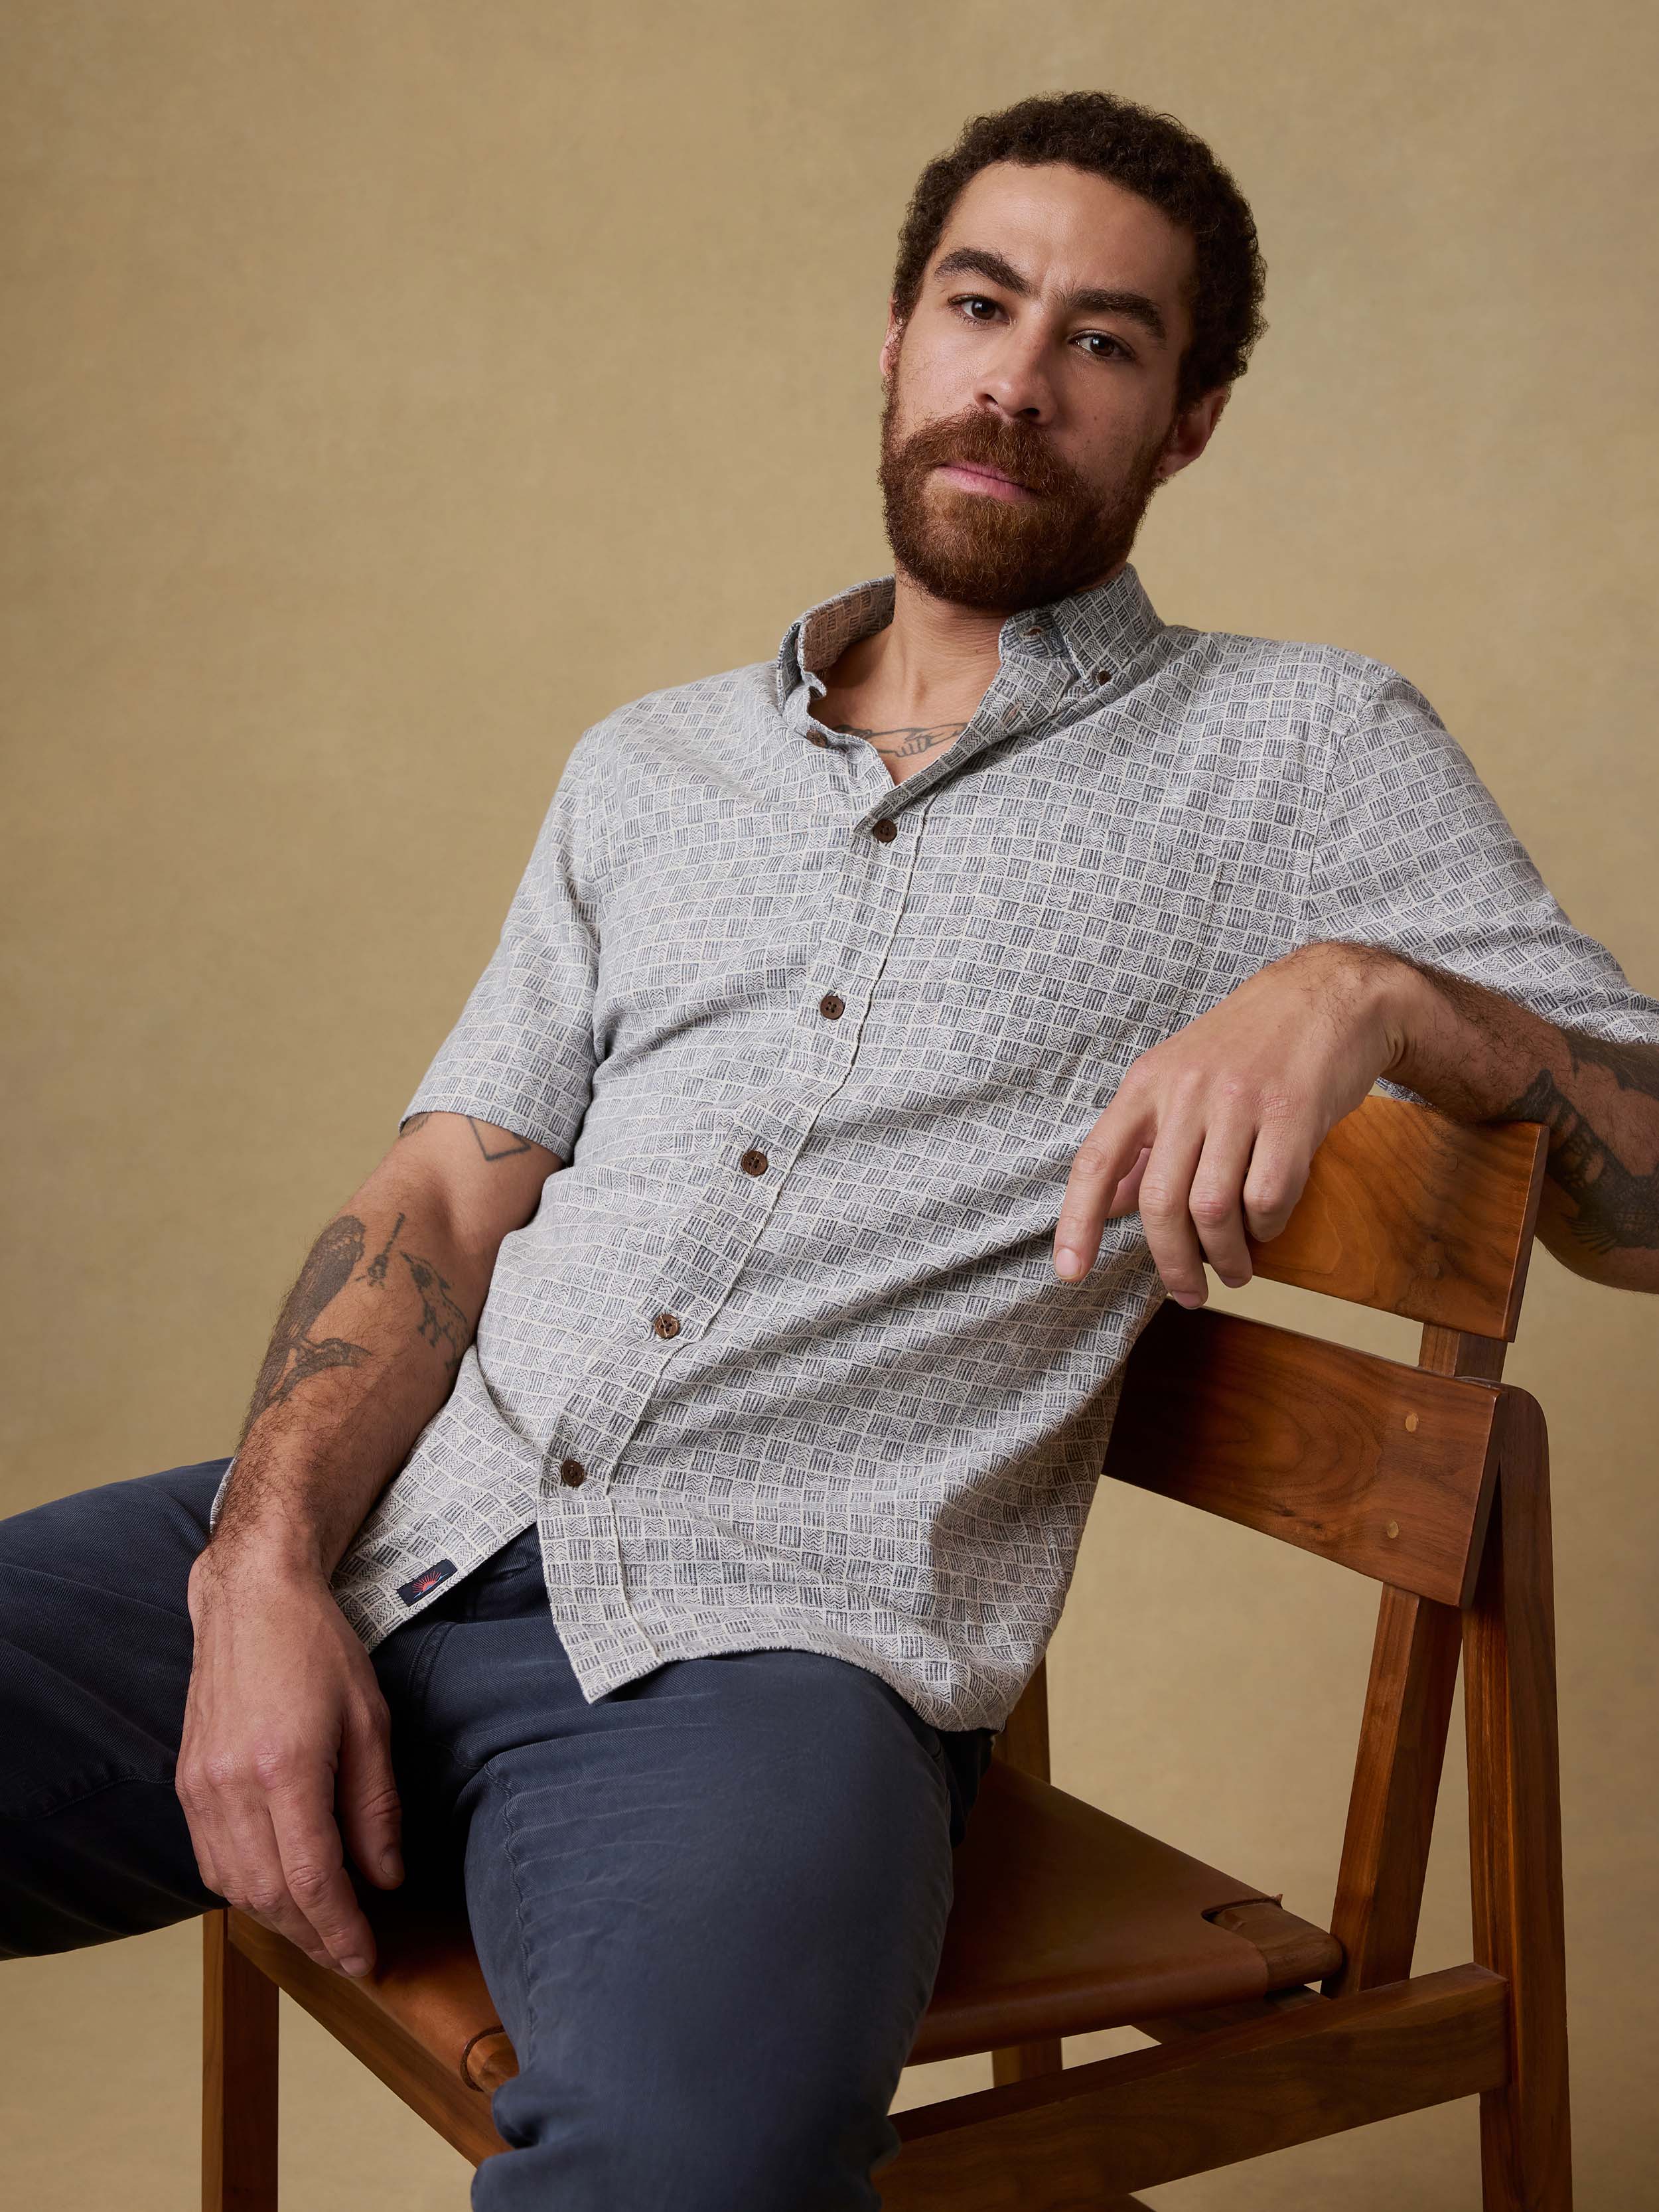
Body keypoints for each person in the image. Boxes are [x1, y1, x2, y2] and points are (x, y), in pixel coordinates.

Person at [4, 87, 1656, 2211]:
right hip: (385, 1516)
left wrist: (1381, 992)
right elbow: (436, 1194)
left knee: (699, 2170)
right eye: (982, 304)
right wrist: (254, 1572)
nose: (1018, 375)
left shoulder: (1300, 751)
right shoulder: (648, 770)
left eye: (1103, 339)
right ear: (893, 339)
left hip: (767, 1653)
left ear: (1189, 422)